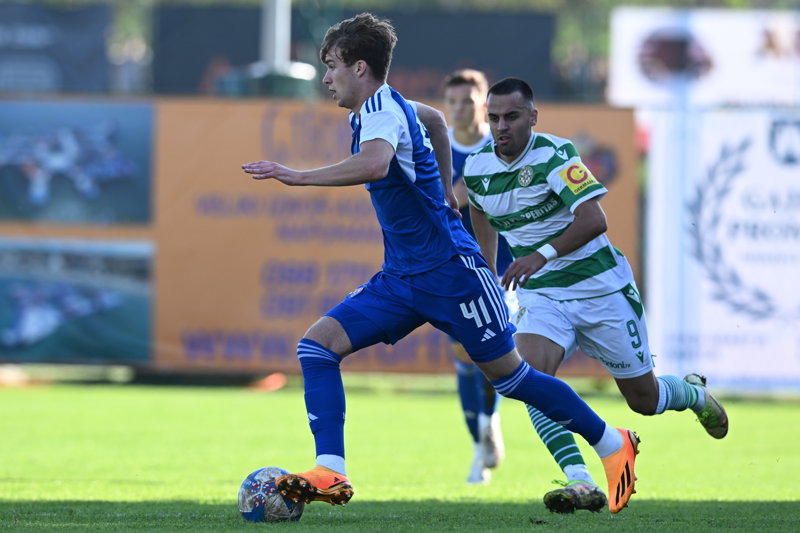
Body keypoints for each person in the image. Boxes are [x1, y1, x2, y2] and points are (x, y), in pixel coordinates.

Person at [242, 13, 640, 516]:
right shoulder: (384, 107)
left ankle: (612, 443)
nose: (326, 78)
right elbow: (432, 120)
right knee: (317, 347)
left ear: (360, 67)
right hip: (402, 277)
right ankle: (331, 469)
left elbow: (375, 164)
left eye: (332, 66)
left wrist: (297, 176)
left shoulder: (380, 111)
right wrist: (451, 193)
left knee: (512, 379)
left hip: (453, 275)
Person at [463, 77, 728, 514]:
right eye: (493, 118)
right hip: (543, 294)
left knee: (644, 401)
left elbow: (594, 219)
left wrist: (539, 256)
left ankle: (693, 393)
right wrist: (490, 272)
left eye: (511, 116)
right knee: (529, 379)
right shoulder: (477, 167)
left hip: (601, 288)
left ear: (533, 116)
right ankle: (580, 480)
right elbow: (479, 210)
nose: (501, 126)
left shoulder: (555, 154)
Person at [442, 69, 512, 484]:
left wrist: (463, 190)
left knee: (496, 354)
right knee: (464, 357)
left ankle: (490, 421)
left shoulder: (500, 145)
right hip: (454, 268)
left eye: (467, 102)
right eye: (452, 102)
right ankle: (479, 444)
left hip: (504, 266)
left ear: (483, 104)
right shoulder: (438, 146)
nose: (459, 110)